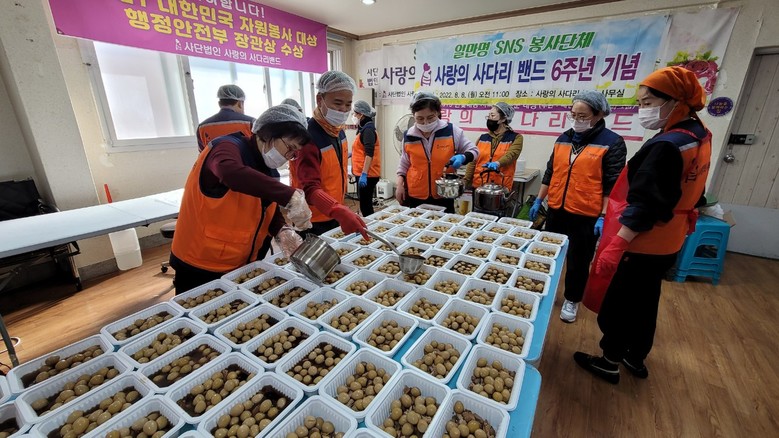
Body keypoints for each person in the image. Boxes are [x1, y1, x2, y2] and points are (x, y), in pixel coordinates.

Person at [574, 66, 712, 383]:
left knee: (621, 302)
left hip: (644, 242)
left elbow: (645, 205)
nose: (642, 110)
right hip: (670, 239)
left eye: (647, 103)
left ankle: (610, 360)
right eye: (640, 103)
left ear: (675, 101)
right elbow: (695, 190)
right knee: (646, 300)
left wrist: (618, 244)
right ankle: (635, 356)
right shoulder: (699, 134)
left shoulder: (668, 144)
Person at [170, 104, 313, 294]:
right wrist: (289, 195)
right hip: (199, 262)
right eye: (290, 148)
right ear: (268, 133)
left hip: (239, 265)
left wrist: (282, 231)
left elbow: (265, 209)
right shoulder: (226, 147)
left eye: (294, 154)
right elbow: (229, 172)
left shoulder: (269, 170)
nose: (289, 157)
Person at [529, 90, 627, 323]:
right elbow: (551, 172)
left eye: (582, 116)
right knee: (549, 255)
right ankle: (543, 292)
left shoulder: (612, 142)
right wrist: (539, 200)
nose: (576, 120)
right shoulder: (563, 138)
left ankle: (572, 299)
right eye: (573, 114)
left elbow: (612, 185)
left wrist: (603, 216)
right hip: (557, 209)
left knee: (578, 261)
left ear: (599, 114)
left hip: (586, 214)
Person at [289, 71, 369, 239]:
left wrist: (339, 209)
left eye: (348, 105)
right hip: (314, 219)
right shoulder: (308, 138)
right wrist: (337, 209)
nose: (343, 110)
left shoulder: (338, 131)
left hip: (335, 212)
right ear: (320, 100)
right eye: (338, 103)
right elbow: (309, 188)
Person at [395, 92, 479, 213]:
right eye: (420, 118)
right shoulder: (408, 136)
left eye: (430, 117)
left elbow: (474, 151)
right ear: (413, 115)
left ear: (438, 113)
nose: (425, 123)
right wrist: (399, 186)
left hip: (444, 194)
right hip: (416, 194)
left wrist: (463, 157)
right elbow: (404, 164)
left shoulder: (451, 131)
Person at [464, 102, 523, 193]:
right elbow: (473, 162)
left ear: (503, 119)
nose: (489, 118)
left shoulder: (515, 138)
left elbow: (511, 155)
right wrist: (466, 181)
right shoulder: (482, 138)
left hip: (500, 189)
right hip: (479, 186)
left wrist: (498, 163)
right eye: (489, 116)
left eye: (492, 115)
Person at [196, 85, 255, 153]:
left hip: (215, 160)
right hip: (244, 160)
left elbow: (203, 154)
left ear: (219, 104)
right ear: (240, 104)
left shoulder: (202, 127)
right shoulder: (251, 123)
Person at [351, 100, 381, 216]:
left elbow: (369, 154)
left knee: (366, 206)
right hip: (365, 173)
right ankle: (369, 224)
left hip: (368, 174)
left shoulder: (368, 130)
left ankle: (371, 225)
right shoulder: (364, 128)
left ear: (361, 114)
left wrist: (364, 174)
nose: (353, 116)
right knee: (365, 204)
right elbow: (362, 149)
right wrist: (352, 153)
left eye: (355, 113)